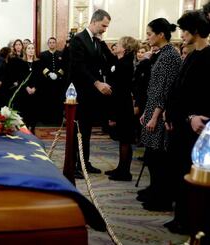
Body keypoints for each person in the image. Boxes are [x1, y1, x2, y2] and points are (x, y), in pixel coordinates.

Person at [164, 10, 210, 235]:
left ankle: (189, 221)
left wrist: (192, 117)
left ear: (196, 31)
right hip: (181, 124)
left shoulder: (209, 57)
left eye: (184, 30)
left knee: (191, 174)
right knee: (178, 171)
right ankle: (180, 217)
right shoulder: (192, 55)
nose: (181, 34)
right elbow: (177, 90)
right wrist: (170, 115)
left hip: (197, 128)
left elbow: (203, 96)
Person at [139, 18, 181, 212]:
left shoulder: (170, 55)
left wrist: (155, 115)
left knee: (158, 159)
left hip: (160, 112)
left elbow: (166, 90)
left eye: (149, 34)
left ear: (160, 35)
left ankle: (161, 197)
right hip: (152, 108)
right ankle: (154, 190)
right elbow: (153, 87)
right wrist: (147, 111)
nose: (147, 38)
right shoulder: (161, 53)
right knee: (151, 155)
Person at [69, 9, 114, 176]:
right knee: (77, 131)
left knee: (86, 130)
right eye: (103, 25)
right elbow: (79, 67)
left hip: (91, 95)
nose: (104, 29)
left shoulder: (97, 41)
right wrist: (96, 83)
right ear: (94, 21)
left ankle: (84, 162)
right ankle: (73, 165)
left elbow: (104, 63)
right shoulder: (78, 39)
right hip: (79, 93)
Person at [105, 36, 139, 181]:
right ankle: (121, 168)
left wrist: (113, 115)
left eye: (117, 44)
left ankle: (125, 172)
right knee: (123, 138)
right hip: (122, 104)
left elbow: (118, 91)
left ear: (124, 48)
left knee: (125, 139)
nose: (115, 46)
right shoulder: (122, 62)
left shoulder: (124, 64)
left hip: (122, 105)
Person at [39, 37, 65, 124]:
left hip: (58, 83)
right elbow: (41, 66)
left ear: (56, 43)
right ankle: (47, 120)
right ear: (48, 44)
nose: (52, 44)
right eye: (50, 42)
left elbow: (64, 67)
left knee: (58, 102)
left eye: (53, 42)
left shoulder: (61, 54)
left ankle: (58, 120)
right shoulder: (43, 54)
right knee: (48, 101)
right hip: (47, 83)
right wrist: (49, 73)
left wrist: (57, 74)